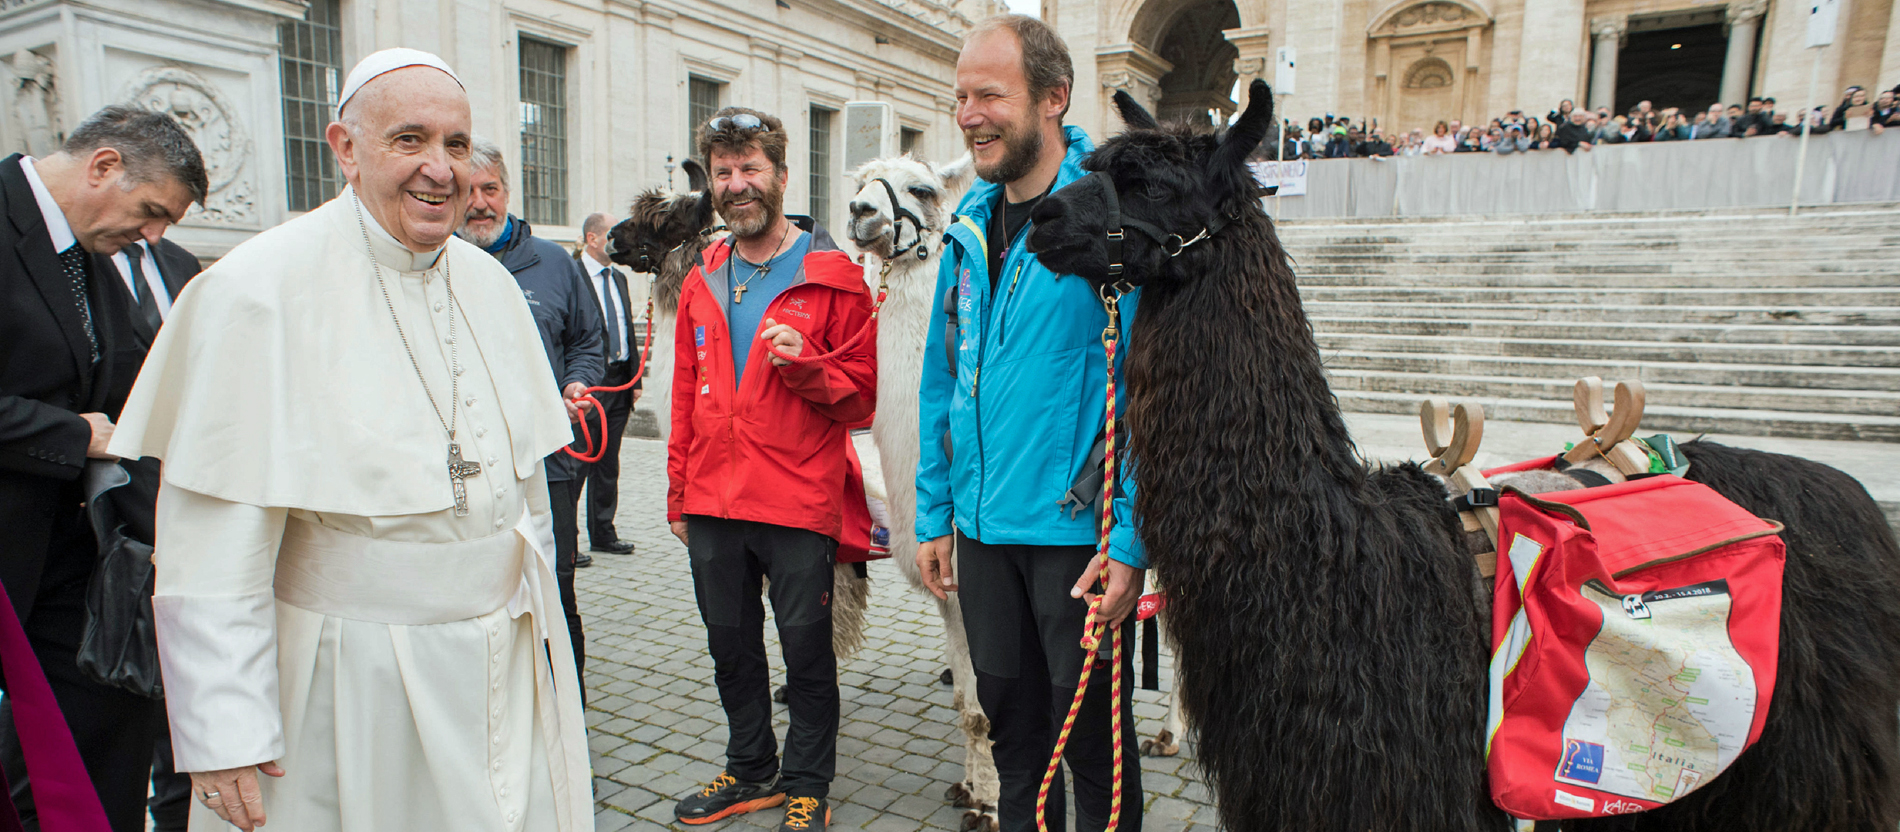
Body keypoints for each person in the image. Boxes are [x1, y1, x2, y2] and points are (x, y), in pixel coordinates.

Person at [108, 49, 592, 832]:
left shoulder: (490, 284)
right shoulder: (256, 289)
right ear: (345, 147)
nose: (441, 169)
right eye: (410, 140)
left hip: (500, 660)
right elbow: (212, 532)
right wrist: (223, 726)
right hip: (349, 671)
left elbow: (525, 493)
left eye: (457, 145)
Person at [918, 13, 1147, 832]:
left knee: (1092, 748)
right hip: (981, 538)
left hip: (1073, 544)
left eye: (989, 94)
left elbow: (1150, 395)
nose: (968, 114)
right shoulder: (968, 225)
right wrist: (934, 511)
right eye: (960, 97)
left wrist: (1128, 542)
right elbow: (941, 379)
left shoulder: (1112, 218)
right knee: (1013, 738)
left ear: (1053, 98)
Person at [666, 106, 875, 832]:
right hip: (713, 504)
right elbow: (683, 394)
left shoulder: (834, 278)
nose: (736, 184)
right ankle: (751, 769)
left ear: (782, 176)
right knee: (731, 649)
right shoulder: (703, 277)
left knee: (806, 656)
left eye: (750, 168)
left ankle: (808, 781)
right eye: (724, 172)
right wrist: (676, 497)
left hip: (795, 503)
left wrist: (808, 366)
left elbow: (863, 400)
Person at [0, 104, 203, 832]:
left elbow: (127, 386)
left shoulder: (91, 255)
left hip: (74, 559)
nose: (149, 239)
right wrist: (68, 433)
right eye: (150, 213)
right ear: (104, 166)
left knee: (109, 722)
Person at [457, 137, 604, 678]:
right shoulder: (432, 261)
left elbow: (589, 341)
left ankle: (566, 714)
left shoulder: (553, 263)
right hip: (467, 468)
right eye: (466, 190)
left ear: (507, 191)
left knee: (554, 583)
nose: (479, 202)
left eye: (489, 189)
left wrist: (576, 383)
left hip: (550, 461)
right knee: (478, 590)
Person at [106, 232, 206, 832]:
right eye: (151, 207)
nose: (154, 226)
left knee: (184, 717)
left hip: (186, 514)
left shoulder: (178, 265)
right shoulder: (84, 258)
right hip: (119, 531)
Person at [575, 211, 643, 556]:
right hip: (587, 385)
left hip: (618, 383)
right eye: (610, 237)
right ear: (592, 238)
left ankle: (603, 533)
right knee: (578, 463)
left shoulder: (618, 279)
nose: (617, 245)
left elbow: (626, 328)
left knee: (608, 463)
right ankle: (566, 542)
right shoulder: (573, 276)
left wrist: (635, 377)